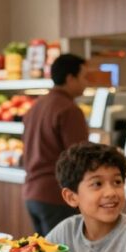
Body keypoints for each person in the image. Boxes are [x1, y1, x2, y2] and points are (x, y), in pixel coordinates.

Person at [22, 54, 90, 234]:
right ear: (70, 78)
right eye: (84, 77)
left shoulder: (36, 106)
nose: (86, 83)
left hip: (31, 192)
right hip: (56, 195)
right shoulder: (69, 110)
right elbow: (80, 157)